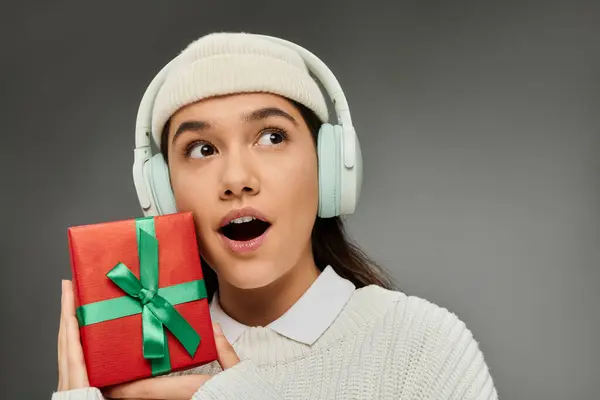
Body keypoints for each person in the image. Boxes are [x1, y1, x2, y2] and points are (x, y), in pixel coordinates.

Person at [53, 32, 499, 399]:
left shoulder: (422, 348)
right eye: (202, 149)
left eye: (271, 136)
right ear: (162, 193)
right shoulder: (142, 375)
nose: (237, 179)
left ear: (329, 167)